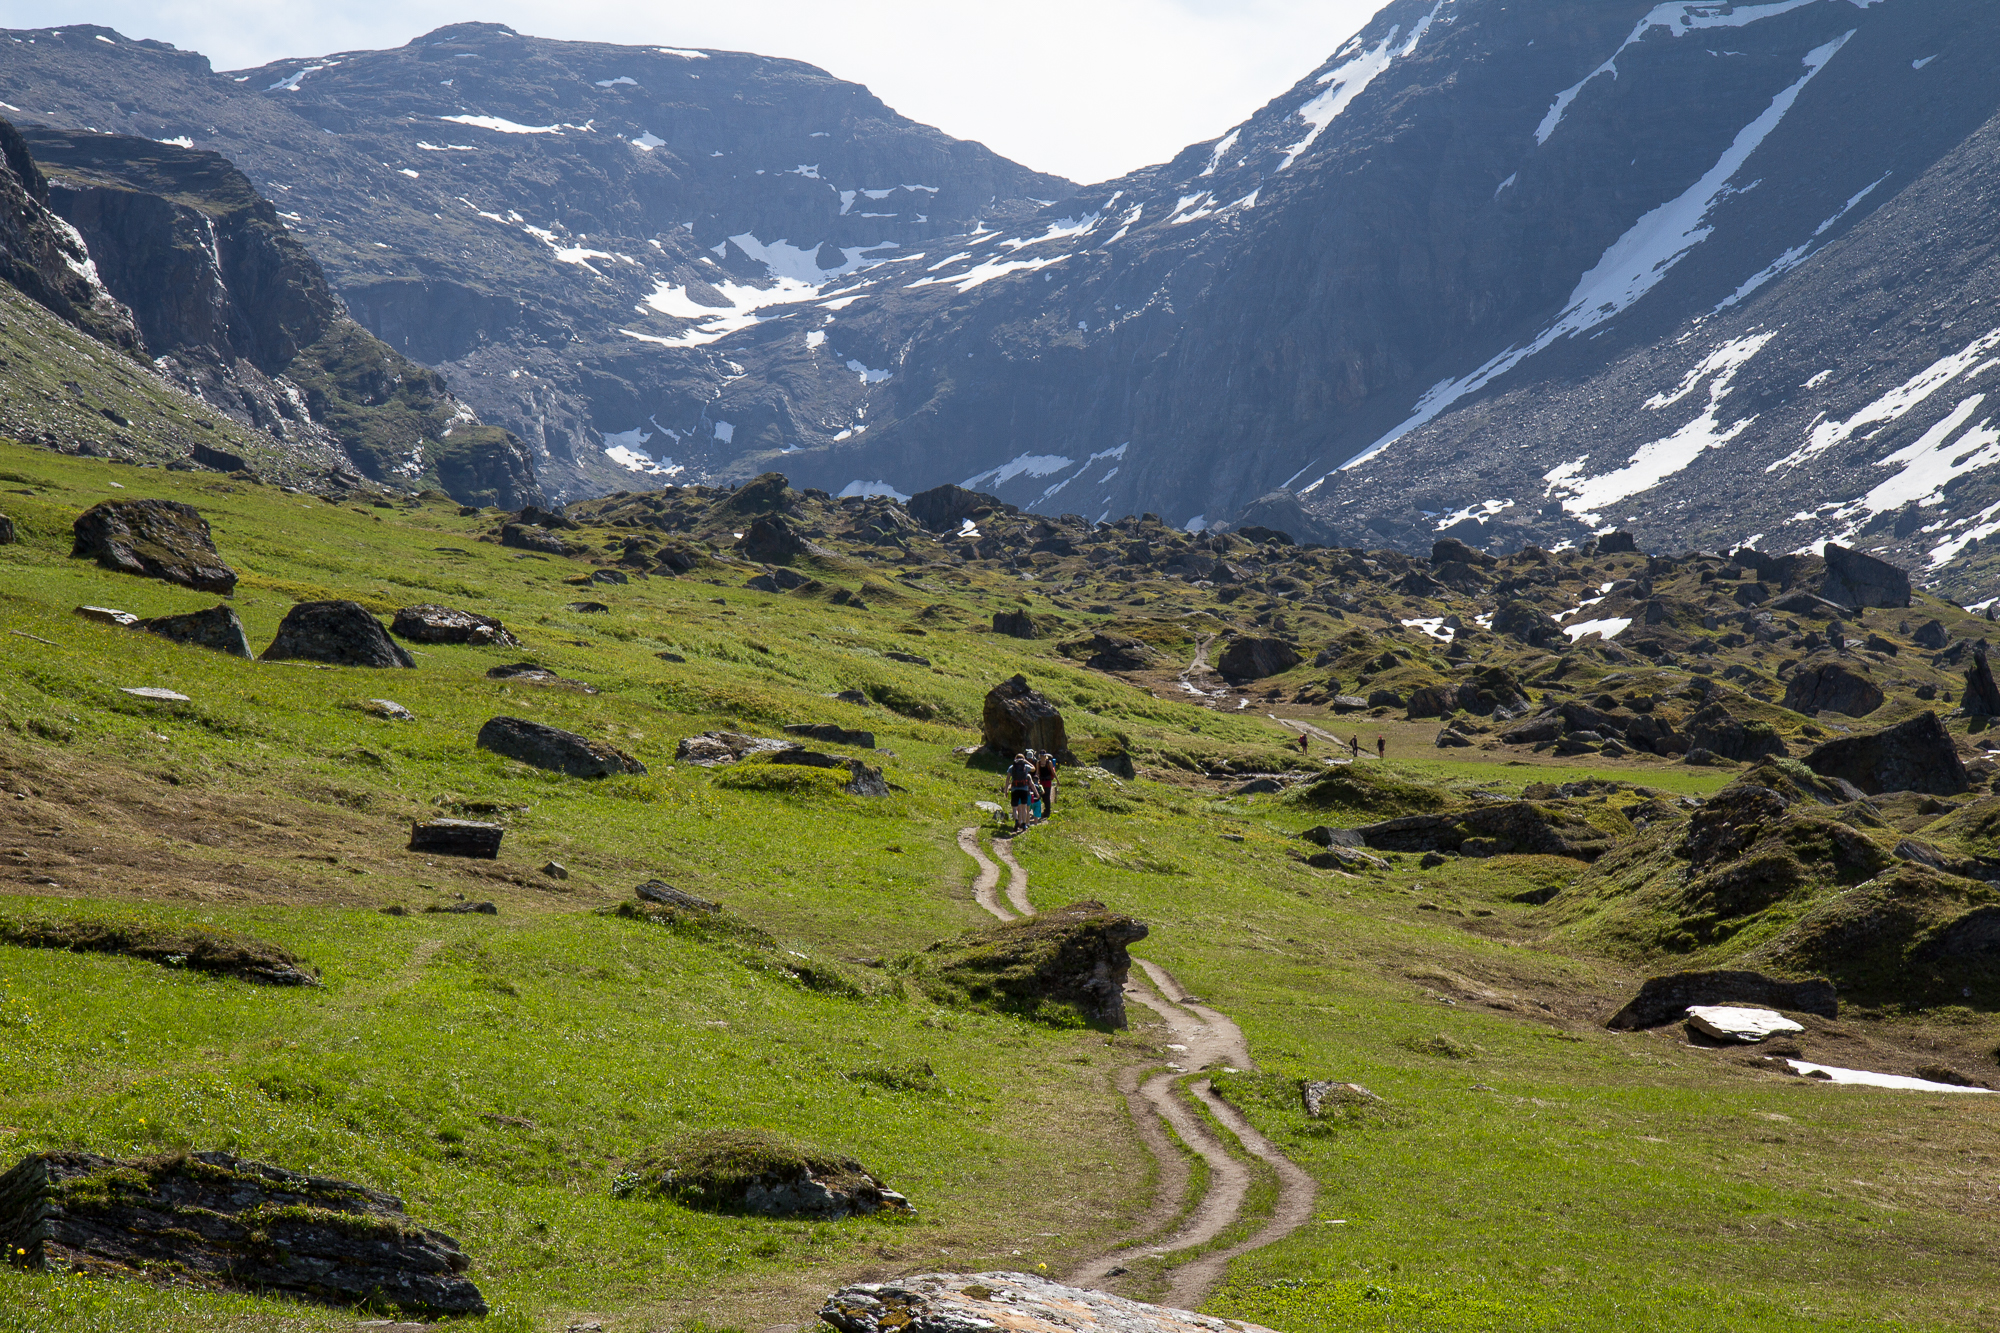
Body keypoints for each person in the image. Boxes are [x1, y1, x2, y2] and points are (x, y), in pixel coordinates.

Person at [1006, 752, 1037, 831]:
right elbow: (1034, 768)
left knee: (1015, 808)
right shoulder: (1025, 766)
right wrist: (1026, 761)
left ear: (1015, 759)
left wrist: (1006, 790)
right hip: (1024, 789)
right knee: (1024, 808)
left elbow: (1007, 779)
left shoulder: (1012, 767)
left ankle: (1016, 820)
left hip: (1014, 789)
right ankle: (1024, 824)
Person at [1034, 750, 1059, 817]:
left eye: (1043, 756)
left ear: (1046, 756)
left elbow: (1053, 772)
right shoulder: (1038, 763)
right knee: (1042, 796)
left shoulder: (1049, 762)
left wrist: (1057, 780)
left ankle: (1047, 812)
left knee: (1047, 796)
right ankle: (1045, 810)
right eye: (1041, 756)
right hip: (1041, 781)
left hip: (1048, 781)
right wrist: (1035, 779)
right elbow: (1037, 771)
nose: (1042, 757)